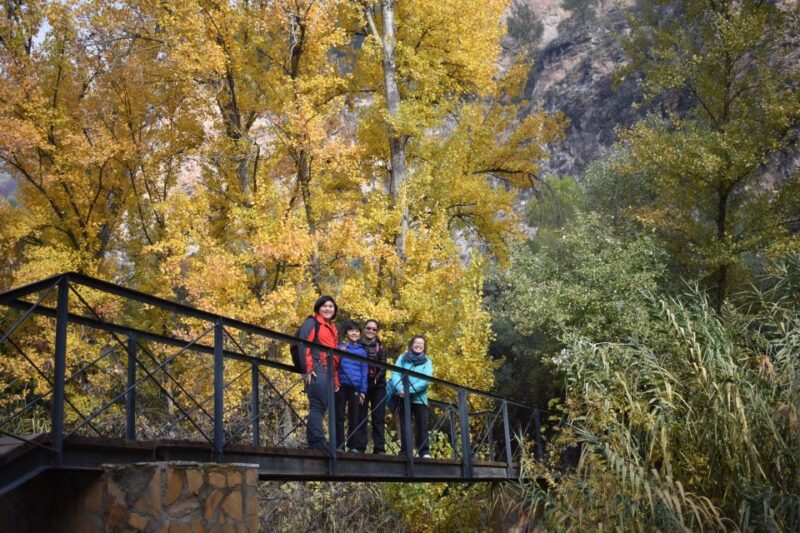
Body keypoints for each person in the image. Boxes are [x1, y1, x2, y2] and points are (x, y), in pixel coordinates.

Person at [298, 296, 340, 450]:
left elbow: (334, 357)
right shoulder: (312, 322)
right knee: (317, 406)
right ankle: (317, 443)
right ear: (318, 307)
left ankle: (316, 442)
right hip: (317, 368)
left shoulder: (332, 327)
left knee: (321, 407)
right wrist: (307, 369)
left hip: (328, 371)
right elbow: (304, 346)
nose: (328, 309)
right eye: (324, 306)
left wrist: (335, 379)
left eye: (331, 306)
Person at [387, 335, 433, 458]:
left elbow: (425, 380)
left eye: (421, 344)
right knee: (405, 424)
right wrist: (401, 389)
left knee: (422, 424)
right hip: (403, 396)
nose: (418, 345)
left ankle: (424, 451)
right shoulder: (402, 358)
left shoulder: (427, 362)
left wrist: (408, 390)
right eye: (416, 343)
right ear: (411, 344)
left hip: (419, 398)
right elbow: (395, 373)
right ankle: (405, 451)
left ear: (424, 347)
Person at [336, 321, 369, 452]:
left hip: (355, 387)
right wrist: (339, 353)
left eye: (356, 331)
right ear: (346, 333)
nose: (354, 333)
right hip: (341, 385)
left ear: (360, 334)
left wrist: (363, 391)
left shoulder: (362, 352)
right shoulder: (340, 347)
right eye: (351, 330)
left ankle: (352, 446)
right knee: (339, 415)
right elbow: (334, 365)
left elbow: (364, 371)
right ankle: (339, 445)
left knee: (354, 416)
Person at [357, 319, 388, 454]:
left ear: (377, 332)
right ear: (364, 329)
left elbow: (383, 365)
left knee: (378, 417)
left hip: (378, 386)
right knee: (360, 416)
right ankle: (359, 447)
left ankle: (379, 448)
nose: (370, 331)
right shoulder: (356, 345)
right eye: (368, 328)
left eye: (374, 329)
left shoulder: (380, 347)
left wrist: (376, 379)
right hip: (361, 384)